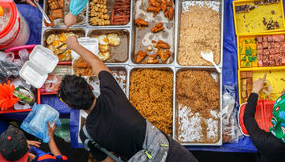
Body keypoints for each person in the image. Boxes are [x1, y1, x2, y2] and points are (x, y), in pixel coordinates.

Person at [57, 35, 196, 162]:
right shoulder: (111, 93)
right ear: (90, 87)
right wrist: (75, 46)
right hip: (170, 153)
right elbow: (95, 62)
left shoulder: (86, 135)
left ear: (71, 107)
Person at [0, 124, 67, 162]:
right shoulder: (45, 159)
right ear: (28, 147)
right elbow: (62, 160)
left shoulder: (4, 151)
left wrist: (24, 143)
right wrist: (50, 138)